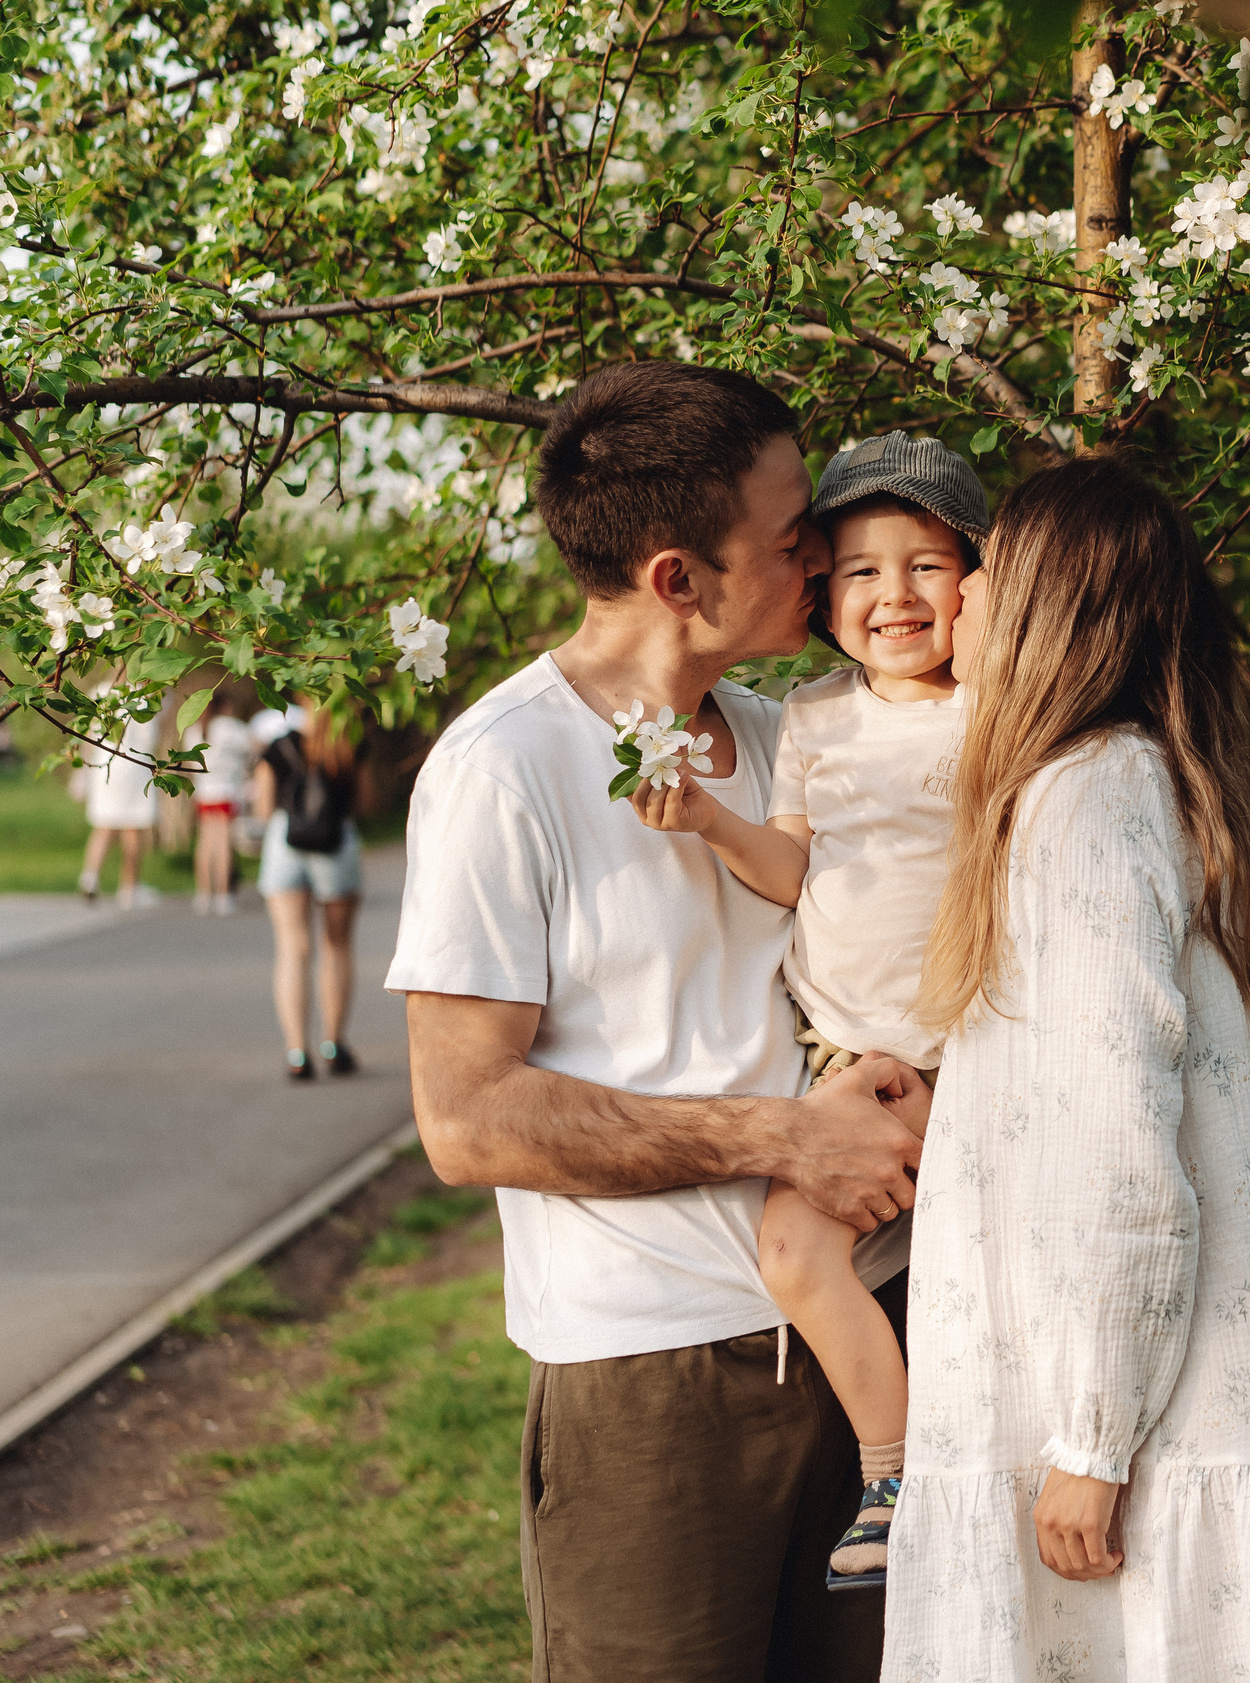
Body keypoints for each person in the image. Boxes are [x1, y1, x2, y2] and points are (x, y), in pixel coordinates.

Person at [387, 361, 928, 1683]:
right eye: (794, 531)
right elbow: (468, 1117)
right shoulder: (501, 771)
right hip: (655, 1380)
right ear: (680, 575)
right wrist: (785, 1138)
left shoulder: (787, 731)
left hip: (882, 1335)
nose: (827, 550)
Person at [885, 457, 1250, 1680]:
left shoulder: (1085, 799)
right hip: (1202, 1410)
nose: (956, 595)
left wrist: (1092, 1439)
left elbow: (1117, 1148)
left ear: (1044, 611)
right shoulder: (1154, 783)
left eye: (986, 571)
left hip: (1164, 1434)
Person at [630, 430, 986, 1593]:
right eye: (865, 569)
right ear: (825, 590)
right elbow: (792, 870)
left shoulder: (998, 712)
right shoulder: (817, 719)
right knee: (795, 1251)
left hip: (958, 1057)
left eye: (927, 566)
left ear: (978, 584)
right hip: (845, 1065)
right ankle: (897, 1471)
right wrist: (710, 825)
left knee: (955, 1279)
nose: (896, 595)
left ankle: (921, 1472)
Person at [254, 696, 367, 1080]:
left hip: (286, 843)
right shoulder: (347, 740)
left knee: (292, 947)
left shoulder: (280, 745)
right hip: (336, 844)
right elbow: (366, 801)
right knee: (336, 944)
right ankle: (334, 1046)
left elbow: (264, 806)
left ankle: (297, 1053)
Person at [77, 703, 166, 906]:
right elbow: (149, 738)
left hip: (103, 766)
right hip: (133, 767)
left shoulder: (101, 692)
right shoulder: (145, 701)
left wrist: (82, 772)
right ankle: (129, 887)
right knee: (132, 828)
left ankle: (90, 876)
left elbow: (88, 735)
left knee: (103, 826)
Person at [190, 684, 259, 915]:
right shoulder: (230, 727)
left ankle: (203, 894)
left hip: (204, 792)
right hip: (226, 792)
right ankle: (222, 895)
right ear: (225, 706)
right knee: (223, 844)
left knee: (205, 844)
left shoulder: (194, 728)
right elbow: (255, 745)